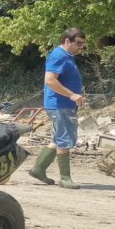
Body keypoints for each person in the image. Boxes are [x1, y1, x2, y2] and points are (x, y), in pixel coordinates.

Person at [29, 28, 88, 189]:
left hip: (64, 104)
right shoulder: (58, 56)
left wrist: (75, 96)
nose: (81, 47)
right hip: (60, 105)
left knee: (59, 138)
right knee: (64, 139)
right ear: (67, 41)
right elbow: (50, 81)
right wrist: (72, 95)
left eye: (83, 44)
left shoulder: (67, 56)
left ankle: (38, 169)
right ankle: (65, 178)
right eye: (78, 43)